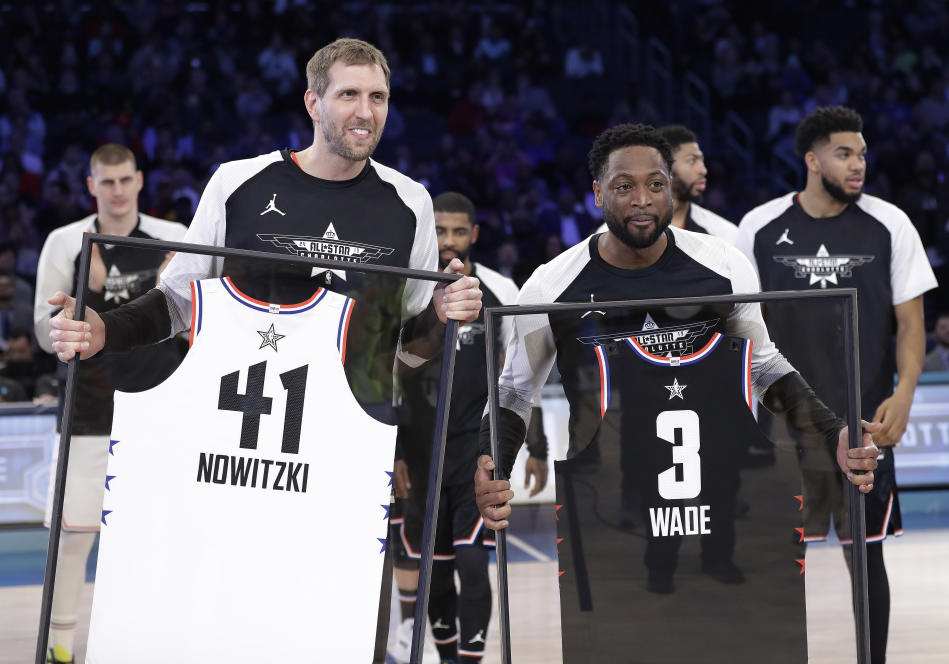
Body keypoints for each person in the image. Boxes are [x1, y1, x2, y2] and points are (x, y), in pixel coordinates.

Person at [46, 38, 481, 659]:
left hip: (345, 463)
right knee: (233, 625)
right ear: (313, 101)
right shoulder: (240, 183)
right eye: (349, 94)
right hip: (237, 456)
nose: (365, 111)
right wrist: (101, 331)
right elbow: (177, 300)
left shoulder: (409, 202)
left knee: (344, 632)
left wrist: (441, 319)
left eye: (378, 97)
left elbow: (403, 350)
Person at [474, 123, 879, 659]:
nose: (642, 200)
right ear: (597, 192)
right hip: (610, 521)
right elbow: (514, 391)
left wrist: (834, 431)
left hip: (722, 509)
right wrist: (491, 459)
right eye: (623, 186)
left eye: (656, 184)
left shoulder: (722, 264)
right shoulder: (552, 284)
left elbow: (764, 366)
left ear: (672, 188)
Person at [736, 106, 938, 664]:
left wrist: (905, 392)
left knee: (867, 560)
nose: (858, 166)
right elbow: (739, 326)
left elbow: (911, 325)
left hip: (863, 423)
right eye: (845, 154)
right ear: (812, 159)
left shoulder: (890, 223)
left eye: (863, 155)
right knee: (776, 565)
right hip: (780, 429)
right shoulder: (758, 227)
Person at [33, 143, 187, 664]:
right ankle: (59, 650)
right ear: (91, 185)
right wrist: (86, 297)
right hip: (90, 413)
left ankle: (151, 645)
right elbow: (40, 329)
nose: (117, 191)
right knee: (73, 539)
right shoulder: (65, 241)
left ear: (140, 181)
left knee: (156, 541)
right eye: (107, 182)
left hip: (161, 415)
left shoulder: (177, 239)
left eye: (125, 180)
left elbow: (205, 318)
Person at [389, 192, 547, 664]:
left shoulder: (499, 290)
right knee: (432, 570)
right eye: (439, 231)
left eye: (459, 231)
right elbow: (390, 373)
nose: (449, 241)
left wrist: (533, 447)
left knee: (474, 563)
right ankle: (438, 652)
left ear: (475, 235)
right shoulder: (410, 288)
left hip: (474, 455)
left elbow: (522, 375)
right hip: (418, 454)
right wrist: (393, 450)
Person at [595, 124, 738, 244]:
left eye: (702, 161)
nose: (703, 170)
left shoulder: (723, 234)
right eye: (691, 160)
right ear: (666, 165)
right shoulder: (606, 237)